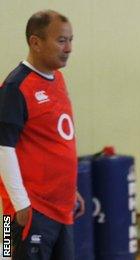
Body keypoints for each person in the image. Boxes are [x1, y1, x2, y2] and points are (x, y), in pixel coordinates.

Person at [0, 10, 84, 259]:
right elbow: (3, 148)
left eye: (71, 40)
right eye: (61, 40)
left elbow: (57, 141)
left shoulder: (58, 79)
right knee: (6, 252)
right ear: (35, 42)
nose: (68, 48)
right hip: (23, 211)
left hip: (61, 209)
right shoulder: (15, 88)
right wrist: (19, 203)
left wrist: (71, 189)